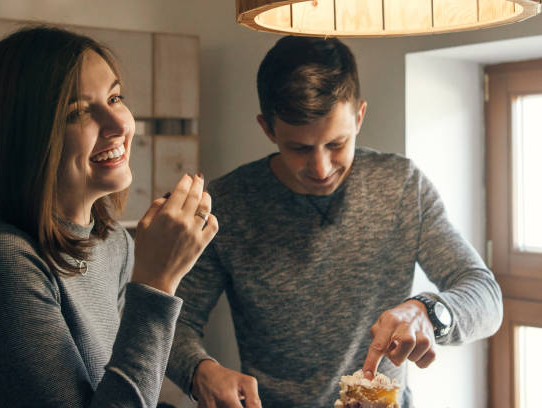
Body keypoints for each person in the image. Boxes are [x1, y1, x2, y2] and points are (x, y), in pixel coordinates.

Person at [166, 36, 502, 408]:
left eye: (337, 144)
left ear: (359, 116)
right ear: (268, 129)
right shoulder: (230, 203)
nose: (321, 168)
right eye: (300, 148)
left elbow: (486, 296)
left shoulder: (402, 186)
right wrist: (200, 370)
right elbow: (172, 321)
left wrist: (429, 312)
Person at [0, 26, 217, 407]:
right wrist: (157, 284)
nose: (119, 126)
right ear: (24, 138)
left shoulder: (112, 243)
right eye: (78, 112)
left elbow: (116, 388)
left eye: (115, 98)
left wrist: (204, 376)